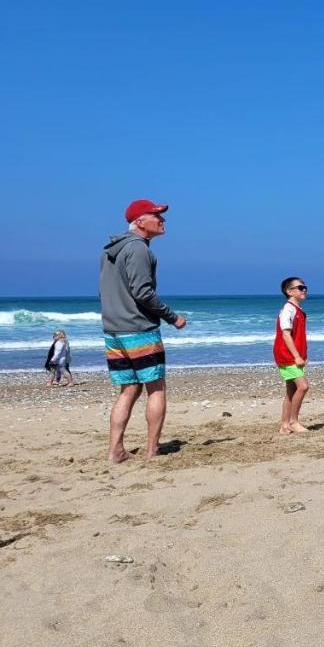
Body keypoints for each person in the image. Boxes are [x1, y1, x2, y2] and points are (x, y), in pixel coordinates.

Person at [99, 198, 187, 464]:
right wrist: (173, 318)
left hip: (114, 330)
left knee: (128, 389)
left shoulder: (111, 250)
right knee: (156, 388)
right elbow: (142, 293)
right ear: (139, 221)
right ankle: (152, 450)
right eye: (156, 215)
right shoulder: (137, 249)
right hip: (139, 329)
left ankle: (116, 450)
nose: (162, 220)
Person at [275, 276, 311, 434]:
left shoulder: (299, 311)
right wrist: (296, 356)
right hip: (286, 355)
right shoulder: (288, 309)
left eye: (305, 288)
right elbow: (286, 335)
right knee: (303, 386)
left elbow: (299, 336)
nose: (304, 290)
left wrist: (303, 354)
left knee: (291, 389)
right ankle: (293, 421)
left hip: (294, 355)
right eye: (300, 288)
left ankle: (284, 425)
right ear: (289, 291)